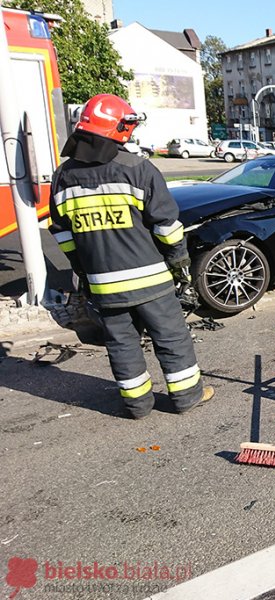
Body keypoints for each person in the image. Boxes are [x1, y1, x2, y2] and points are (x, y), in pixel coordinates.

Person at [49, 94, 214, 419]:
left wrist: (83, 271)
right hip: (150, 280)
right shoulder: (138, 169)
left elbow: (64, 235)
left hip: (103, 286)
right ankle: (186, 396)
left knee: (122, 344)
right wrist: (180, 264)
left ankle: (137, 405)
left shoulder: (63, 176)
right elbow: (166, 227)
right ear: (117, 129)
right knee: (170, 337)